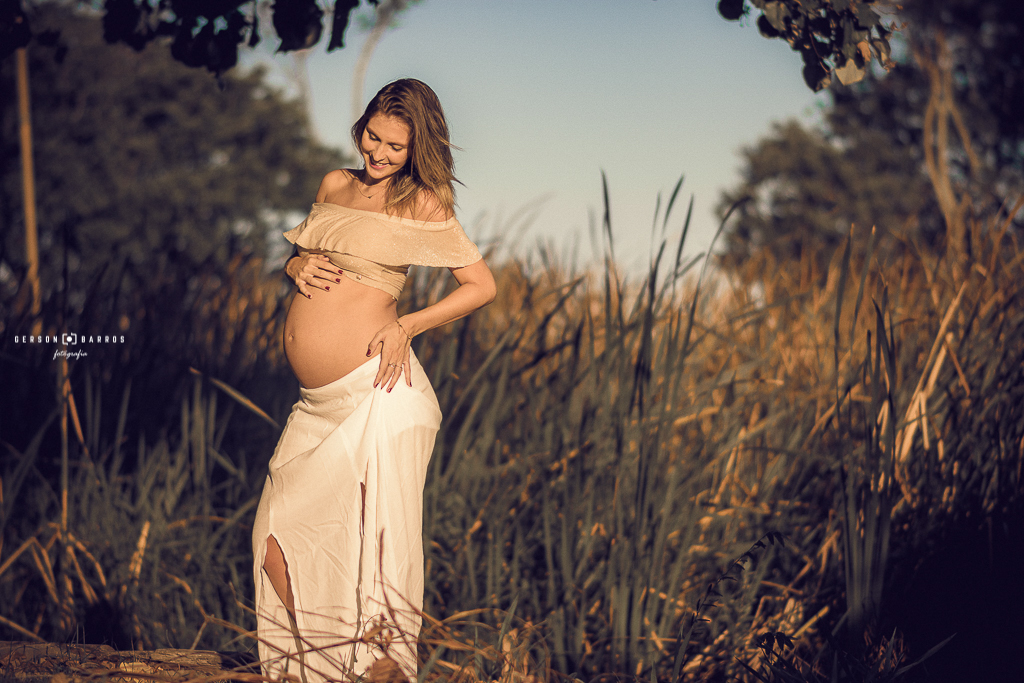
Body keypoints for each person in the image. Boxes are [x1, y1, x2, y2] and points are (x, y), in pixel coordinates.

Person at [251, 78, 495, 683]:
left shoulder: (423, 201)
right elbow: (310, 253)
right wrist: (294, 261)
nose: (379, 154)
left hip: (381, 396)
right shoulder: (336, 183)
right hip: (316, 404)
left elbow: (481, 286)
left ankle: (377, 673)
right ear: (362, 126)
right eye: (373, 137)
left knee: (378, 561)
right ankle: (316, 671)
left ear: (417, 149)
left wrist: (407, 326)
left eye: (395, 146)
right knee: (274, 535)